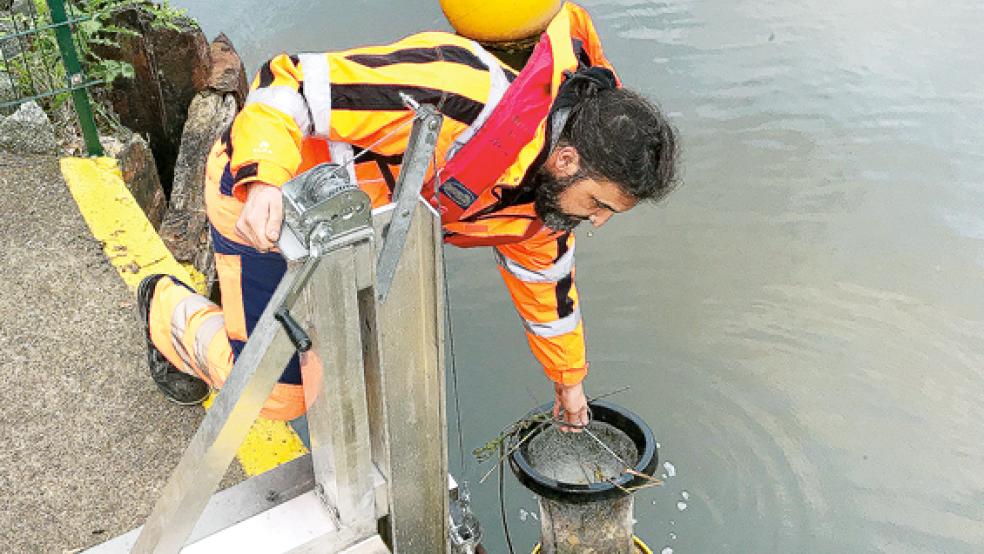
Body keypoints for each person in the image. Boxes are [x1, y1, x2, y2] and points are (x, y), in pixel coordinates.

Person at [136, 2, 678, 432]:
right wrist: (263, 180)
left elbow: (546, 285)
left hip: (347, 233)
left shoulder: (544, 201)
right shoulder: (453, 90)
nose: (599, 222)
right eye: (601, 204)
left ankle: (231, 305)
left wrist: (568, 381)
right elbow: (289, 83)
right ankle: (164, 309)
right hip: (266, 202)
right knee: (279, 397)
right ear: (567, 159)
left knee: (351, 371)